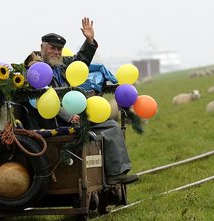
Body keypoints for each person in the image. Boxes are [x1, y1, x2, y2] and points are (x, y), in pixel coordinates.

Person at [26, 17, 138, 185]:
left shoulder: (62, 64)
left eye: (59, 49)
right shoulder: (34, 69)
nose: (56, 52)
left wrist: (89, 40)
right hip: (53, 121)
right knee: (104, 127)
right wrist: (68, 116)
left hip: (77, 116)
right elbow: (42, 99)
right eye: (52, 48)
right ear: (42, 47)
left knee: (110, 126)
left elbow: (81, 61)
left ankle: (116, 174)